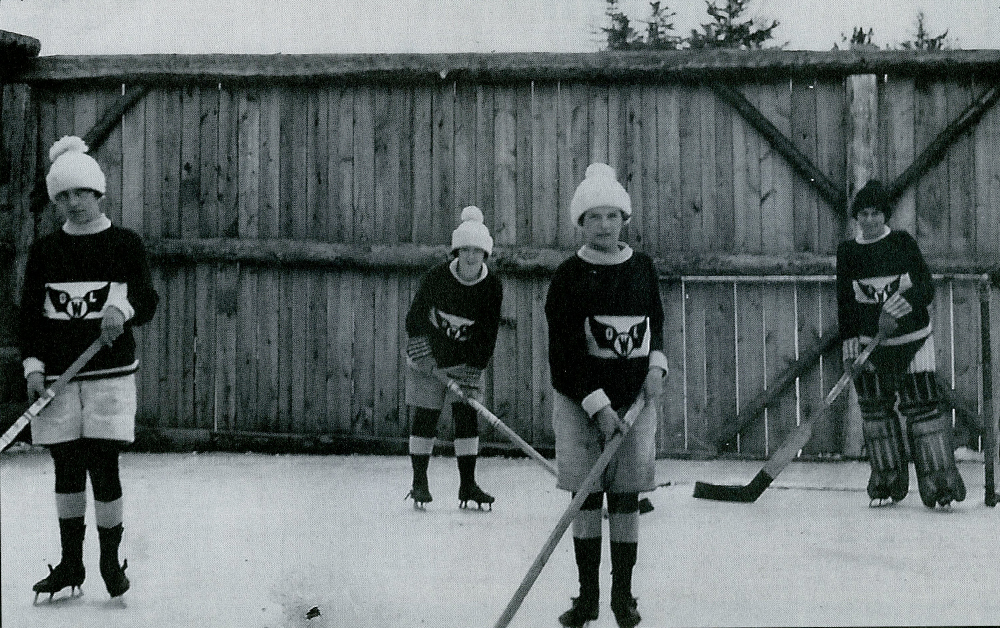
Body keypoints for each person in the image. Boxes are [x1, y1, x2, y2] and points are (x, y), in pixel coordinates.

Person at [20, 136, 159, 602]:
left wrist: (123, 308)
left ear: (98, 193)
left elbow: (147, 298)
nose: (72, 203)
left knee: (104, 465)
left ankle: (107, 559)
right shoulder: (45, 251)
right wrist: (34, 367)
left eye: (80, 193)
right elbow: (30, 316)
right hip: (59, 380)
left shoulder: (124, 243)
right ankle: (71, 563)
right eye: (62, 196)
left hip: (109, 377)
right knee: (66, 468)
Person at [545, 163, 667, 628]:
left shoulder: (642, 269)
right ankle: (588, 597)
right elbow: (565, 356)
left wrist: (656, 366)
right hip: (580, 405)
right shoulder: (568, 277)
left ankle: (623, 597)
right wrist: (596, 407)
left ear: (625, 219)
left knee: (625, 498)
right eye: (593, 217)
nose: (604, 226)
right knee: (586, 498)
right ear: (580, 223)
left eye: (612, 216)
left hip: (636, 403)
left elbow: (656, 325)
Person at [837, 179, 965, 508]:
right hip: (871, 346)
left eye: (876, 213)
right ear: (856, 218)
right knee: (876, 413)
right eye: (863, 214)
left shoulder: (902, 243)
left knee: (923, 410)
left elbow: (925, 288)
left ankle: (941, 484)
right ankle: (887, 481)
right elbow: (846, 302)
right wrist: (851, 344)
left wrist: (897, 308)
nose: (869, 220)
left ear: (885, 215)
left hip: (913, 341)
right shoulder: (848, 252)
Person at [403, 206, 503, 510]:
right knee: (426, 415)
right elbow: (415, 319)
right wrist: (426, 359)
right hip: (429, 359)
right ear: (456, 250)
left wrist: (473, 371)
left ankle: (468, 485)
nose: (470, 256)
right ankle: (419, 482)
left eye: (477, 251)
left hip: (465, 361)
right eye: (465, 250)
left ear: (485, 254)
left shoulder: (491, 286)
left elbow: (487, 335)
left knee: (466, 416)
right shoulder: (437, 277)